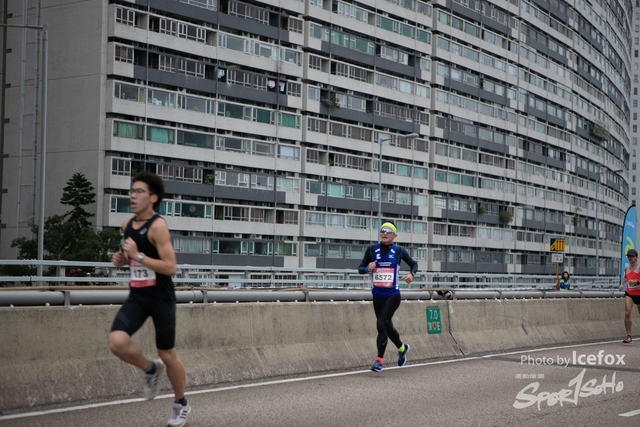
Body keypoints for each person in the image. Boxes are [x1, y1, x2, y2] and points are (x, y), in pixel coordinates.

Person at [109, 171, 190, 426]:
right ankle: (150, 368)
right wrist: (122, 260)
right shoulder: (126, 225)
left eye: (139, 192)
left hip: (161, 298)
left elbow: (170, 267)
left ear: (153, 197)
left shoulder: (158, 226)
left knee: (167, 354)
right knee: (116, 342)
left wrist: (139, 256)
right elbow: (131, 258)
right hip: (138, 295)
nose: (132, 196)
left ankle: (181, 403)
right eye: (131, 191)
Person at [358, 221, 418, 372]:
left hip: (393, 295)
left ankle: (379, 361)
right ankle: (402, 348)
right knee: (388, 327)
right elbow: (360, 268)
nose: (384, 233)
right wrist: (367, 268)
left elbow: (414, 264)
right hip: (377, 296)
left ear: (394, 236)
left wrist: (411, 274)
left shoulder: (399, 251)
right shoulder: (372, 249)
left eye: (388, 231)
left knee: (380, 324)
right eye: (382, 230)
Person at [619, 249, 640, 344]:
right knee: (627, 313)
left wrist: (636, 282)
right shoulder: (627, 268)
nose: (630, 258)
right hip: (629, 293)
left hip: (639, 294)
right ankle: (629, 336)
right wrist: (621, 284)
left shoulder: (639, 268)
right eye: (629, 256)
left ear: (636, 257)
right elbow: (626, 277)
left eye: (632, 256)